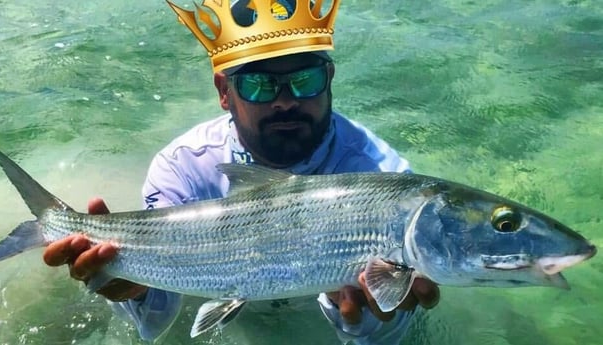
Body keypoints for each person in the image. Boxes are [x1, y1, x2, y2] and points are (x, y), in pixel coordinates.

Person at [42, 0, 440, 343]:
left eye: (306, 80)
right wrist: (131, 289)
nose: (285, 102)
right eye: (259, 86)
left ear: (330, 78)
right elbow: (153, 324)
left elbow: (381, 337)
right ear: (223, 91)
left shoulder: (385, 177)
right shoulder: (183, 167)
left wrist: (365, 317)